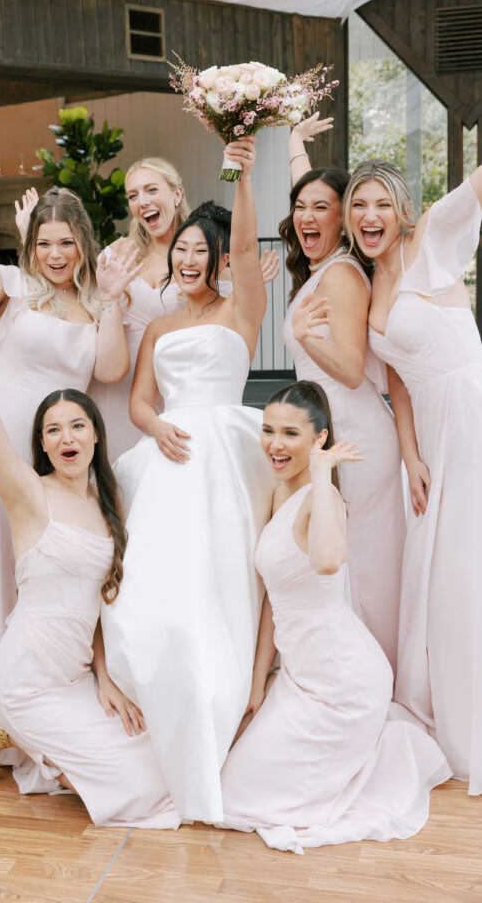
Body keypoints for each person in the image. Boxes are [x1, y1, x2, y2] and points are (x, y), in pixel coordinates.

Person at [0, 235, 180, 829]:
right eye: (53, 430)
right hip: (27, 678)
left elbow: (103, 605)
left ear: (97, 436)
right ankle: (0, 720)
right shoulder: (27, 494)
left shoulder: (111, 507)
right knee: (141, 791)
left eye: (78, 424)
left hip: (76, 676)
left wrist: (106, 680)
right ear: (43, 445)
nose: (66, 437)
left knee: (162, 755)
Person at [0, 143, 140, 740]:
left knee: (35, 573)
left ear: (84, 244)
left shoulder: (95, 304)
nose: (55, 254)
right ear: (30, 246)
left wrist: (114, 301)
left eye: (66, 242)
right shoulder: (11, 288)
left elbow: (113, 371)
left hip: (51, 452)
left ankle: (24, 698)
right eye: (45, 243)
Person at [101, 137, 275, 823]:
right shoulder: (159, 326)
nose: (188, 260)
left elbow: (240, 236)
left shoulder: (241, 311)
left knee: (223, 578)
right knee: (156, 580)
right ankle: (157, 694)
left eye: (200, 251)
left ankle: (228, 693)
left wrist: (240, 175)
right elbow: (140, 399)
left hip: (226, 456)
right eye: (181, 253)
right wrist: (156, 428)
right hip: (170, 453)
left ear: (219, 259)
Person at [220, 381, 450, 852]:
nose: (275, 445)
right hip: (302, 678)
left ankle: (377, 754)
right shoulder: (279, 494)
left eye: (290, 434)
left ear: (319, 439)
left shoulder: (324, 502)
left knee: (241, 800)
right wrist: (258, 680)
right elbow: (271, 597)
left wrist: (323, 476)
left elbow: (327, 561)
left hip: (344, 680)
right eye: (268, 431)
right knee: (231, 785)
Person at [345, 158, 482, 795]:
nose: (369, 216)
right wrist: (409, 455)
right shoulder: (369, 284)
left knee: (464, 564)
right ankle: (441, 700)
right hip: (428, 430)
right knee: (436, 567)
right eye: (358, 204)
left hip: (468, 414)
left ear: (401, 209)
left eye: (380, 203)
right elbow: (394, 379)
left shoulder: (432, 241)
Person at [277, 116, 406, 670]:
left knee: (365, 567)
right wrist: (292, 148)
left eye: (322, 208)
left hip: (356, 436)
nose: (307, 216)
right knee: (346, 563)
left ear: (345, 218)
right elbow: (315, 197)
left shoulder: (341, 275)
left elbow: (352, 369)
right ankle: (352, 674)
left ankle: (374, 675)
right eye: (299, 207)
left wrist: (305, 337)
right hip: (332, 434)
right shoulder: (323, 266)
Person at [90, 158, 279, 460]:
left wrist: (251, 280)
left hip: (180, 394)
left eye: (152, 189)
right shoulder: (117, 254)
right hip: (123, 389)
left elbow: (242, 265)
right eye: (133, 195)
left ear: (177, 194)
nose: (143, 201)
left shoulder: (214, 261)